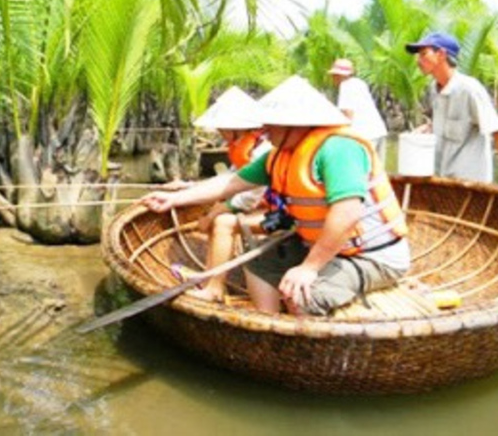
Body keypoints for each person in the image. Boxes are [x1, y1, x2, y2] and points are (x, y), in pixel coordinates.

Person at [143, 76, 411, 315]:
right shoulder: (279, 155)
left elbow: (347, 213)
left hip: (370, 255)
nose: (264, 130)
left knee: (303, 295)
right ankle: (271, 326)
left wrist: (309, 268)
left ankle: (306, 342)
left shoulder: (338, 149)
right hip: (319, 243)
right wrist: (175, 199)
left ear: (296, 124)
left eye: (271, 124)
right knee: (257, 260)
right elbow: (232, 182)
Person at [176, 86, 271, 302]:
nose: (220, 131)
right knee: (216, 212)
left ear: (237, 127)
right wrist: (189, 186)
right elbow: (231, 178)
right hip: (261, 206)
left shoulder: (262, 150)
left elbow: (250, 196)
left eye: (223, 127)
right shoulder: (245, 145)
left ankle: (215, 288)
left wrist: (215, 212)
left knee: (221, 220)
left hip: (272, 210)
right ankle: (208, 276)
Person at [405, 32, 498, 191]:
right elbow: (445, 122)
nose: (418, 61)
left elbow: (497, 130)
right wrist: (429, 128)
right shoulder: (434, 89)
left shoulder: (469, 90)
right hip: (443, 179)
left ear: (441, 54)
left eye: (424, 54)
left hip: (471, 185)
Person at [328, 58, 388, 159]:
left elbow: (347, 113)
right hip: (378, 131)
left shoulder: (345, 86)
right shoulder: (359, 83)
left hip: (365, 134)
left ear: (338, 75)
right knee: (378, 168)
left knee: (364, 167)